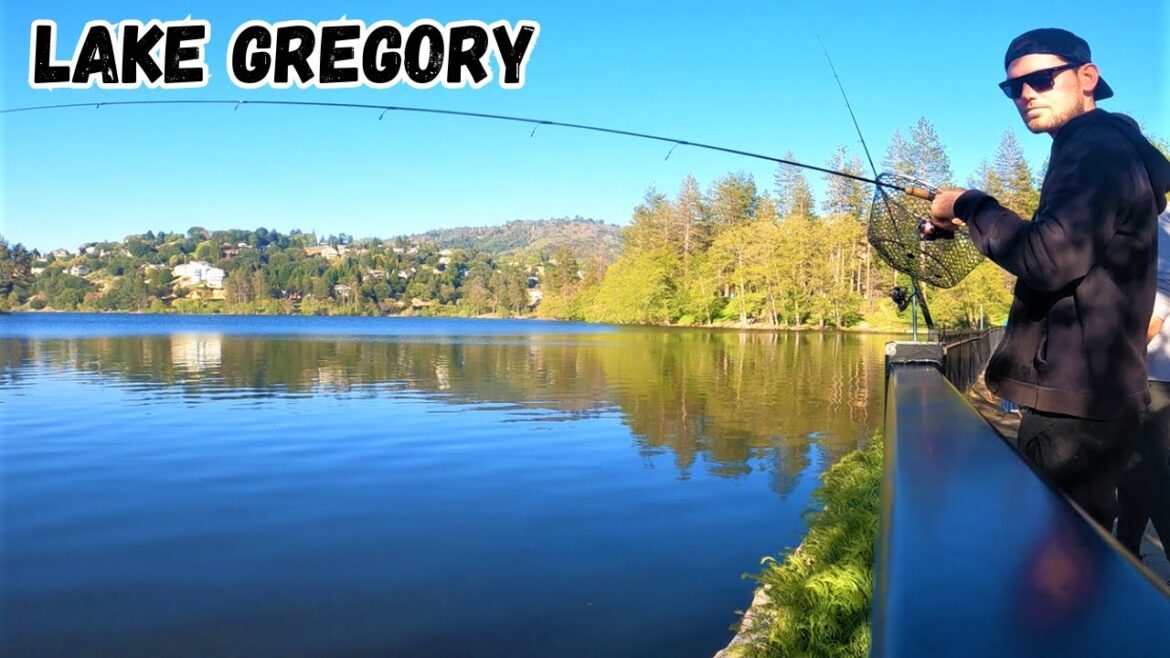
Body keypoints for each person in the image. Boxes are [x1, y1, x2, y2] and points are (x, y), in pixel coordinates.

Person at [927, 28, 1170, 528]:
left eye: (1041, 79)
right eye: (1012, 87)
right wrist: (970, 221)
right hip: (1098, 398)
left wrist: (970, 203)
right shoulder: (1104, 149)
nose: (1026, 95)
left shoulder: (1094, 148)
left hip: (1073, 408)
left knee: (1058, 563)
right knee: (1087, 554)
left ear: (1087, 77)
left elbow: (1048, 257)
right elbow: (1070, 249)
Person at [1117, 209, 1170, 570]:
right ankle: (1125, 559)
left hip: (1149, 372)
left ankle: (1124, 560)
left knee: (1151, 475)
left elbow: (1161, 293)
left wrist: (1122, 355)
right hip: (1154, 373)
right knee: (1135, 469)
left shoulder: (1159, 223)